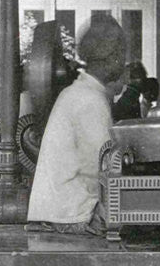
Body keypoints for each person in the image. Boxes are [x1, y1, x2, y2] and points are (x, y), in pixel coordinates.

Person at [26, 16, 125, 234]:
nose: (123, 61)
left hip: (62, 206)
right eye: (121, 54)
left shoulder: (80, 91)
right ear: (111, 58)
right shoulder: (89, 99)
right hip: (72, 211)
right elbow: (101, 165)